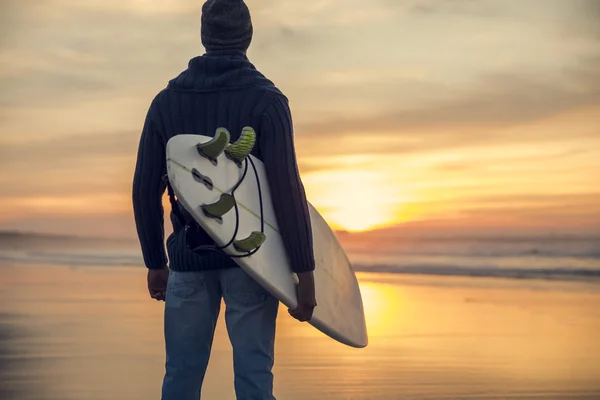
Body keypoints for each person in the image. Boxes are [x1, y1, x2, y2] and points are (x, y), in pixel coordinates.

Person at [131, 1, 316, 399]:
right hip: (253, 263)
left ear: (203, 36)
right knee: (253, 377)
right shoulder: (268, 100)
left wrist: (155, 262)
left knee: (180, 377)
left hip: (187, 260)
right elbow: (286, 188)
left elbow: (145, 187)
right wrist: (305, 270)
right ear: (248, 36)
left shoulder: (166, 102)